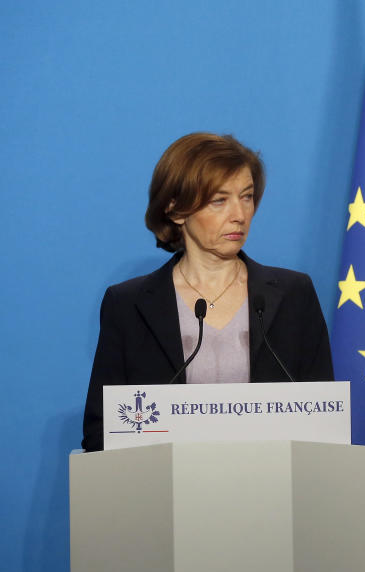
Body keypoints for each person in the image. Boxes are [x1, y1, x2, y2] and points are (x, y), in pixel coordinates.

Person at [82, 133, 334, 451]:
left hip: (271, 491)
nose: (239, 215)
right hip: (163, 493)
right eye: (219, 200)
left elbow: (325, 419)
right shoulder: (128, 304)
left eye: (246, 196)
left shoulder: (294, 294)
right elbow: (102, 430)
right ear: (176, 210)